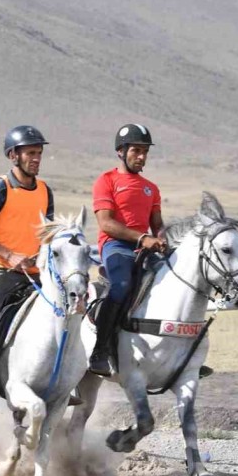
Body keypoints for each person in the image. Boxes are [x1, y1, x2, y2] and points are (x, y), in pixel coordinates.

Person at [0, 125, 56, 403]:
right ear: (13, 155)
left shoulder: (45, 191)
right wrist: (10, 256)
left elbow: (47, 234)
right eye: (30, 153)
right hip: (0, 269)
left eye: (38, 153)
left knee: (65, 311)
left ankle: (65, 378)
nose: (36, 158)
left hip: (34, 271)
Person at [87, 124, 169, 376]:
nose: (142, 156)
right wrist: (142, 238)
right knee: (121, 286)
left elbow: (158, 225)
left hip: (145, 248)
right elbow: (106, 223)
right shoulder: (106, 181)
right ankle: (100, 351)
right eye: (136, 150)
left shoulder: (151, 188)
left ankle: (182, 352)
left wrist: (162, 239)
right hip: (116, 246)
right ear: (121, 151)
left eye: (145, 152)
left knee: (178, 280)